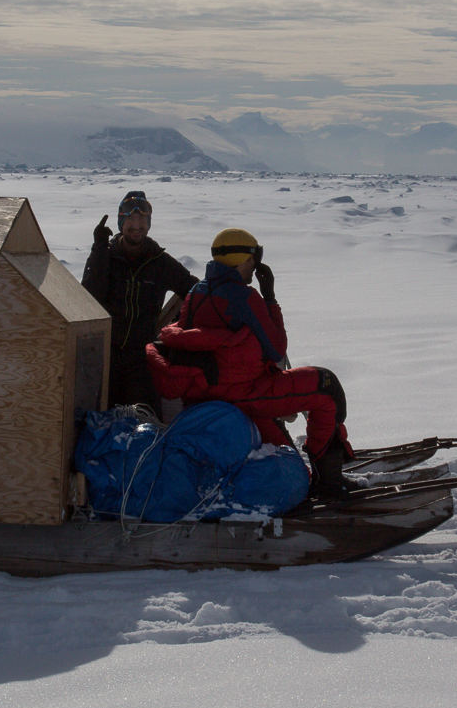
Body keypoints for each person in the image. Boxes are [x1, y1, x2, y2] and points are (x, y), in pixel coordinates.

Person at [146, 228, 356, 497]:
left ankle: (302, 472)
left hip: (207, 396)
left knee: (295, 475)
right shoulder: (244, 296)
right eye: (253, 257)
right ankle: (329, 480)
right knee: (327, 387)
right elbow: (277, 349)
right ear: (242, 258)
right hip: (247, 394)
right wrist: (269, 297)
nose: (255, 264)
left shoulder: (196, 293)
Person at [81, 190, 198, 413]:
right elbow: (88, 298)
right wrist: (98, 251)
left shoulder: (159, 261)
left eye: (142, 220)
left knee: (146, 421)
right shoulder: (106, 256)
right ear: (121, 223)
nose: (136, 226)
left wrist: (177, 323)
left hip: (142, 357)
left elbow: (194, 291)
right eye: (131, 220)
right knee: (100, 423)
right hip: (107, 356)